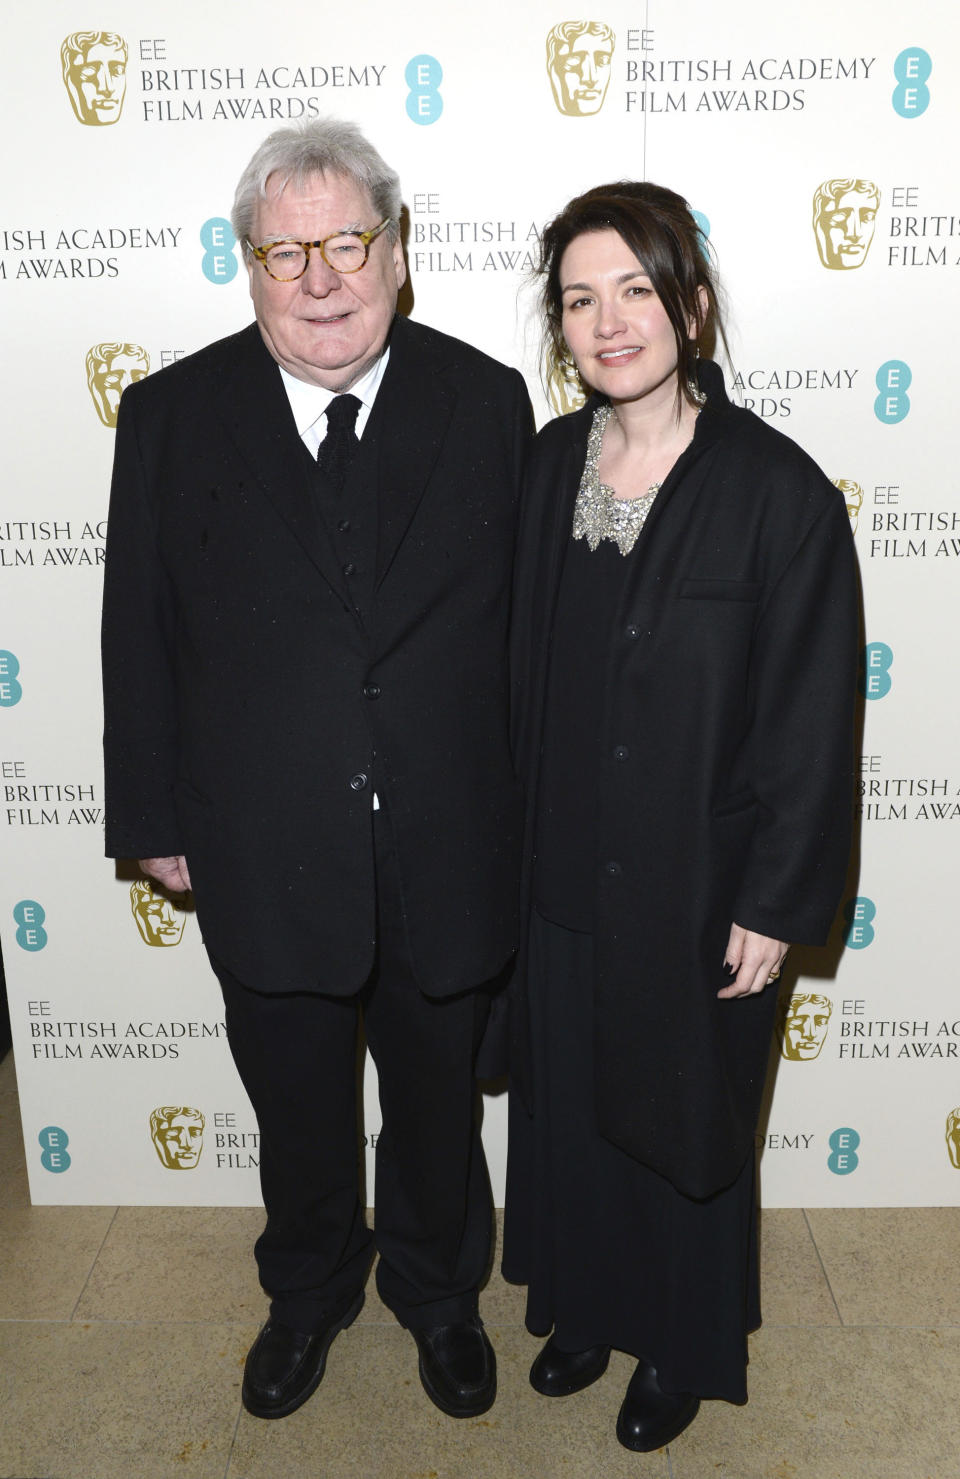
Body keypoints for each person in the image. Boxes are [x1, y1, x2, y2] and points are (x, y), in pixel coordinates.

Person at [101, 118, 532, 1422]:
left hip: (449, 838)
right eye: (287, 251)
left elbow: (521, 635)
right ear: (248, 264)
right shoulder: (172, 413)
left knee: (436, 1107)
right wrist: (153, 815)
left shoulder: (486, 398)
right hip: (262, 840)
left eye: (348, 242)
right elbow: (141, 627)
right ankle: (306, 1292)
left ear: (397, 252)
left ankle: (440, 1293)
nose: (321, 277)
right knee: (294, 1105)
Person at [503, 182, 858, 1451]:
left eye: (636, 291)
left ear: (691, 306)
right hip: (557, 877)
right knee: (575, 1106)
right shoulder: (545, 469)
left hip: (696, 885)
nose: (610, 323)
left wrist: (777, 900)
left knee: (680, 1122)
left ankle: (677, 1347)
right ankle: (587, 1313)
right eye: (580, 299)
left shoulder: (779, 495)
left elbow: (816, 719)